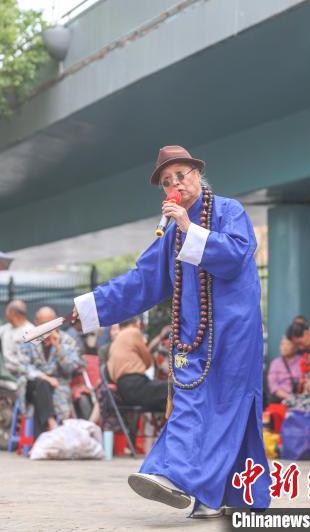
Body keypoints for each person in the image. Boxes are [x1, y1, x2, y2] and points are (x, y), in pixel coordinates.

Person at [73, 145, 271, 517]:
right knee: (192, 405)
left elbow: (234, 258)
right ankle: (171, 476)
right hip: (194, 339)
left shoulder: (229, 211)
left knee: (233, 408)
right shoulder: (170, 235)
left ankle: (218, 495)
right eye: (167, 181)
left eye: (181, 175)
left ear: (198, 174)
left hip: (235, 335)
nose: (175, 184)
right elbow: (141, 282)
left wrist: (187, 226)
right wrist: (88, 307)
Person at [21, 306, 82, 437]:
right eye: (43, 324)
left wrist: (59, 348)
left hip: (58, 386)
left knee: (41, 389)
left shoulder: (67, 341)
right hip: (31, 386)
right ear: (36, 323)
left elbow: (70, 368)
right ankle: (52, 424)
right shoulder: (29, 339)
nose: (47, 328)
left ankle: (44, 433)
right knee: (40, 383)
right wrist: (46, 378)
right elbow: (23, 367)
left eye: (51, 323)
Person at [107, 318, 168, 411]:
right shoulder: (133, 332)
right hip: (136, 385)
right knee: (174, 388)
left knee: (163, 399)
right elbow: (148, 361)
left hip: (123, 389)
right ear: (136, 324)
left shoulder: (115, 342)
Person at [0, 300, 34, 378]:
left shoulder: (31, 331)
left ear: (13, 313)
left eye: (7, 312)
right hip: (4, 371)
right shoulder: (5, 328)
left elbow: (29, 361)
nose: (6, 315)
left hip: (22, 374)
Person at [267, 337, 302, 403]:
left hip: (299, 398)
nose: (284, 347)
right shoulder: (275, 363)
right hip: (280, 399)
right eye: (282, 344)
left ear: (295, 347)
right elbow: (273, 385)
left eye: (288, 344)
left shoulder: (302, 361)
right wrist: (288, 397)